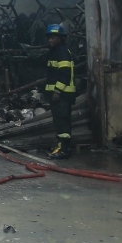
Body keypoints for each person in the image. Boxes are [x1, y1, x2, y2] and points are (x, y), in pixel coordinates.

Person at [44, 23, 77, 160]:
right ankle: (62, 147)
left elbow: (64, 74)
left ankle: (63, 150)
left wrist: (57, 91)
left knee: (62, 122)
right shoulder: (56, 51)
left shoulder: (62, 52)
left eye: (53, 37)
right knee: (59, 122)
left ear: (60, 38)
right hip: (59, 95)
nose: (50, 40)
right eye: (50, 37)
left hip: (62, 95)